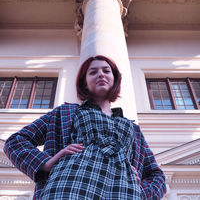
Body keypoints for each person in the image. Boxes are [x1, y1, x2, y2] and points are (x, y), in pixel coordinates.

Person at [4, 55, 167, 200]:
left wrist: (140, 191)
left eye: (106, 70)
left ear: (114, 78)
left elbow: (156, 175)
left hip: (123, 190)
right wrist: (47, 163)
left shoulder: (132, 128)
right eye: (93, 72)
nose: (101, 74)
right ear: (85, 82)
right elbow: (16, 142)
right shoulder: (66, 112)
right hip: (70, 184)